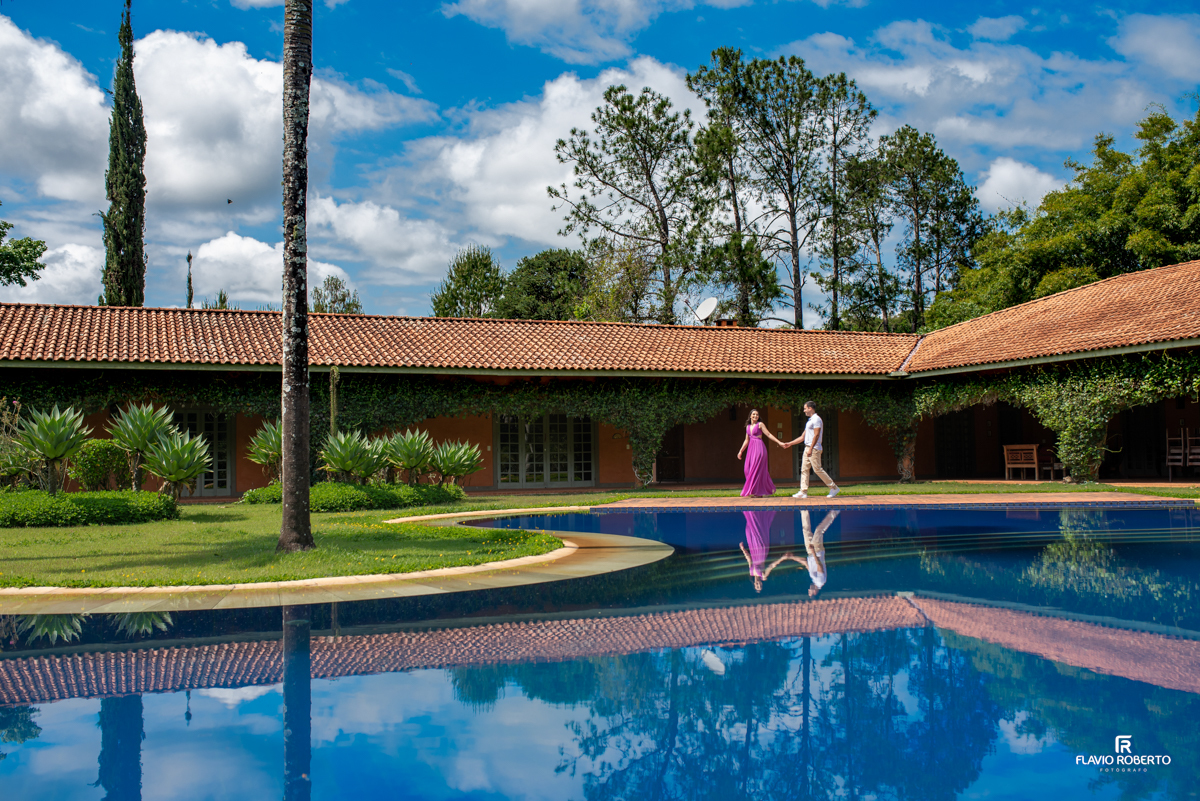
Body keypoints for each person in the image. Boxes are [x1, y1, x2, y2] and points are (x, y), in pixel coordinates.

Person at [784, 401, 839, 500]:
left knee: (817, 469)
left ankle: (834, 488)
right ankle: (803, 492)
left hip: (814, 449)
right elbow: (802, 437)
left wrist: (810, 449)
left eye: (805, 408)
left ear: (810, 408)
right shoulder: (809, 421)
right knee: (804, 470)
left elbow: (816, 435)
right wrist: (790, 443)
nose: (804, 410)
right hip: (807, 447)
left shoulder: (817, 419)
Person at [737, 408, 786, 497]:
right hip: (751, 449)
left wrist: (779, 442)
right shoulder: (748, 427)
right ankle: (756, 490)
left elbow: (768, 434)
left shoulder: (760, 424)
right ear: (750, 416)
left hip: (759, 448)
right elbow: (746, 440)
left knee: (756, 469)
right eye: (754, 414)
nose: (755, 416)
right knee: (747, 469)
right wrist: (740, 451)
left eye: (757, 414)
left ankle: (757, 492)